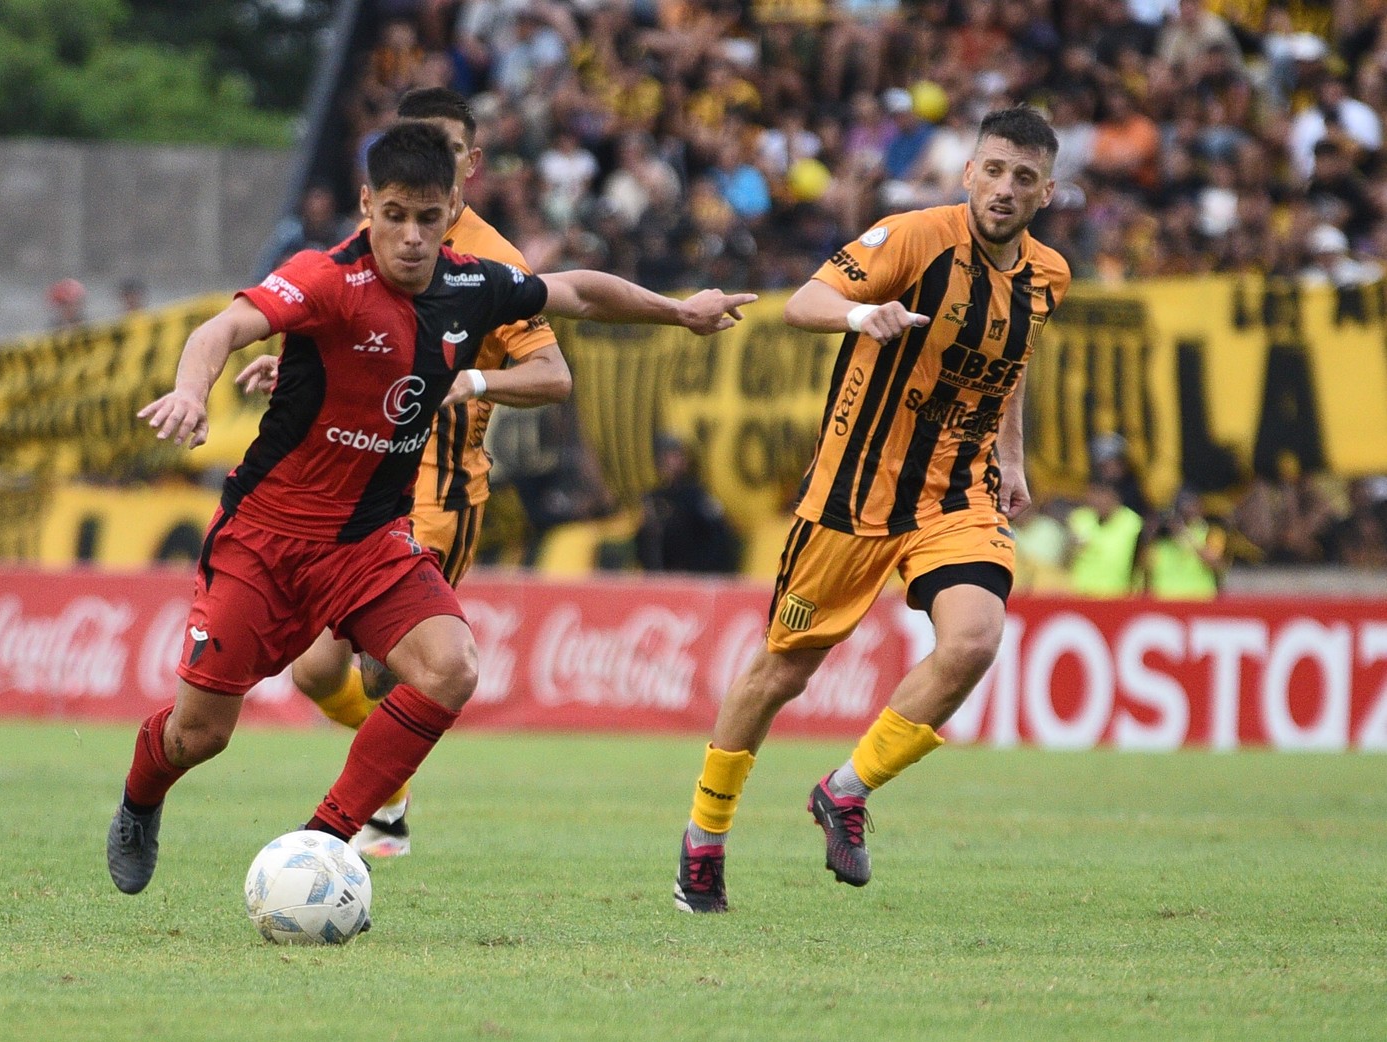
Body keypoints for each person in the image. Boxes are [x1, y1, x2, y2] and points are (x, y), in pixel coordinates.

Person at [106, 119, 755, 896]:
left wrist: (679, 309)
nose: (410, 237)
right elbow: (226, 326)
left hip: (369, 542)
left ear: (452, 209)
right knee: (199, 735)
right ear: (366, 207)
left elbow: (577, 290)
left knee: (450, 667)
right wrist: (188, 389)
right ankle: (140, 800)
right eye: (394, 216)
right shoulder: (323, 277)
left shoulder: (474, 283)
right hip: (265, 540)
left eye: (427, 217)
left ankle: (324, 844)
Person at [673, 106, 1071, 914]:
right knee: (781, 671)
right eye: (992, 170)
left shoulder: (1047, 277)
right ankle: (703, 841)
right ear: (967, 173)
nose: (1003, 188)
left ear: (1046, 192)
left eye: (1022, 177)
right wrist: (864, 315)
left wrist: (1011, 454)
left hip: (953, 493)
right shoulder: (913, 237)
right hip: (851, 497)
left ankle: (844, 790)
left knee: (973, 641)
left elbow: (1013, 357)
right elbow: (802, 303)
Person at [234, 87, 580, 857]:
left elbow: (553, 374)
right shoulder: (376, 236)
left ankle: (354, 826)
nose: (426, 182)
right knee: (315, 676)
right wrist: (285, 373)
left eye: (447, 153)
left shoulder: (495, 262)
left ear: (470, 166)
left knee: (398, 667)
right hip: (351, 482)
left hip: (437, 489)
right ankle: (385, 798)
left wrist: (477, 381)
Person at [635, 432, 740, 573]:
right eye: (667, 456)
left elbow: (719, 537)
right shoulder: (654, 498)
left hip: (698, 575)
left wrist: (695, 572)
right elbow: (645, 547)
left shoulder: (696, 496)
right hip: (664, 578)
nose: (671, 461)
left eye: (676, 455)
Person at [1066, 472, 1144, 597]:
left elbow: (1141, 561)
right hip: (1081, 597)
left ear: (1115, 497)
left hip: (1117, 598)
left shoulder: (1133, 524)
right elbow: (1066, 560)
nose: (1096, 500)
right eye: (1093, 493)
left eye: (1102, 494)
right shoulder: (1079, 519)